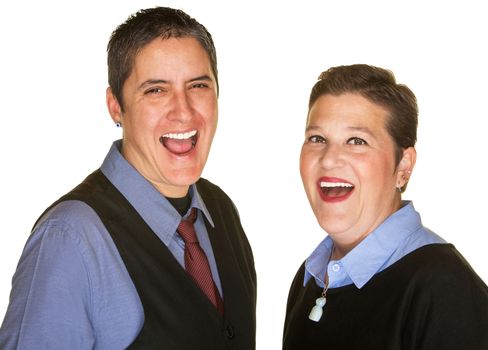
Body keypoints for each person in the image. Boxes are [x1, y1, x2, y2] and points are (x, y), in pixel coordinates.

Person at [0, 7, 256, 349]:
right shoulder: (70, 240)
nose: (183, 110)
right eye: (156, 90)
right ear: (116, 106)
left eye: (198, 85)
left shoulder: (221, 211)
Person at [282, 64, 488, 349]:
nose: (329, 159)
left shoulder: (444, 289)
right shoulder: (311, 279)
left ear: (403, 166)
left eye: (357, 141)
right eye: (317, 139)